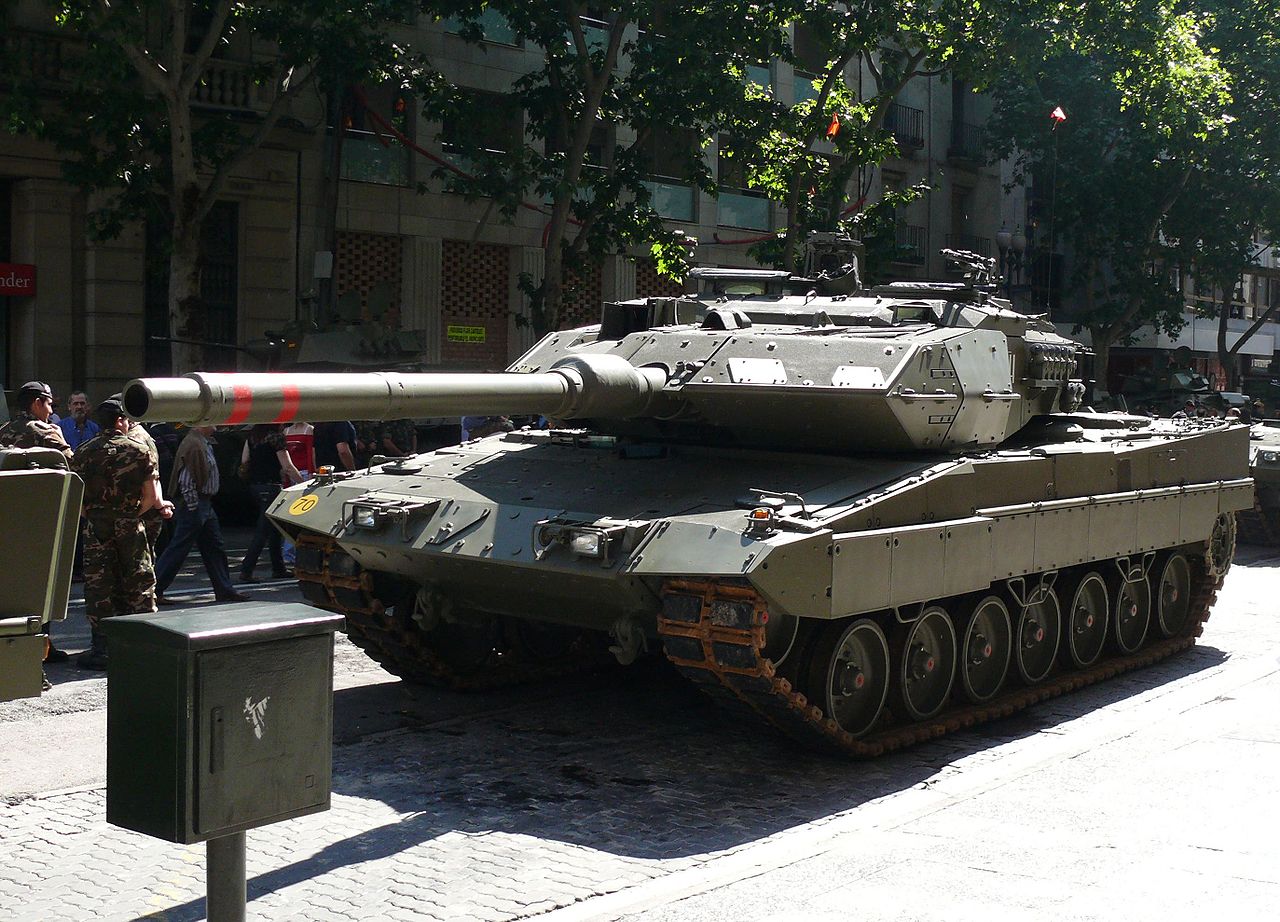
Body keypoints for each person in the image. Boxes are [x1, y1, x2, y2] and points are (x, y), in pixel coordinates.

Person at [70, 397, 174, 670]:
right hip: (130, 524)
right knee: (138, 582)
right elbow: (151, 497)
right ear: (120, 420)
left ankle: (102, 647)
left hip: (96, 527)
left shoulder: (82, 452)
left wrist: (95, 515)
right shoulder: (139, 450)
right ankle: (144, 646)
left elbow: (76, 500)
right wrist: (128, 515)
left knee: (99, 585)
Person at [0, 381, 75, 663]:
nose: (52, 409)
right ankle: (41, 647)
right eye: (49, 403)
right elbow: (71, 465)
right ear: (36, 403)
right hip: (42, 521)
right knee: (42, 585)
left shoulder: (4, 431)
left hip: (8, 520)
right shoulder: (45, 431)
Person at [152, 426, 250, 605]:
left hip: (204, 503)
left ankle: (224, 589)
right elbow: (186, 480)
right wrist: (193, 506)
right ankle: (153, 590)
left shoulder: (201, 442)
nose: (216, 424)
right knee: (179, 548)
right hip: (197, 503)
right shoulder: (194, 445)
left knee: (214, 547)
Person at [238, 424, 303, 582]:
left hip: (255, 485)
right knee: (264, 529)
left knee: (274, 527)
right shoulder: (276, 437)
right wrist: (303, 483)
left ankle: (278, 567)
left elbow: (244, 460)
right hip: (271, 485)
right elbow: (287, 466)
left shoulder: (252, 436)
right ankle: (246, 570)